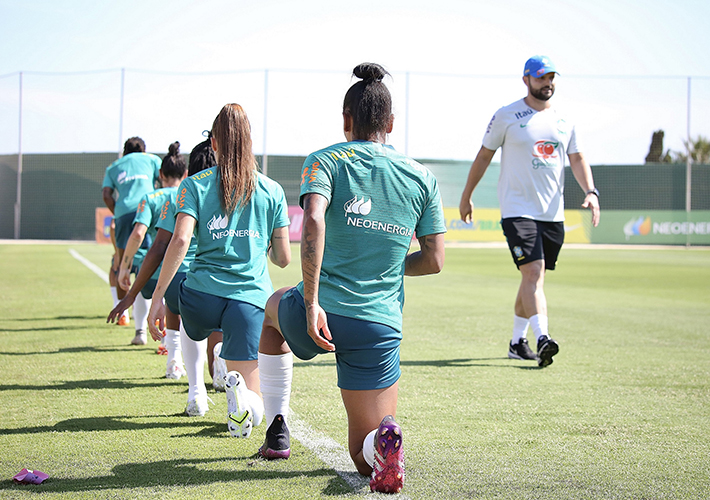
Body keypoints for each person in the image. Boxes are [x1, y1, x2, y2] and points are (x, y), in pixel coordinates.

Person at [257, 63, 446, 494]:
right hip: (378, 323)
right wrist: (383, 265)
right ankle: (382, 440)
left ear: (346, 119)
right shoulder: (421, 175)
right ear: (391, 124)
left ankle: (277, 426)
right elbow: (434, 259)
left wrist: (310, 302)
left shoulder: (325, 160)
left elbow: (315, 222)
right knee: (364, 460)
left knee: (269, 312)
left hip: (321, 312)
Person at [147, 104, 291, 430]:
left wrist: (158, 297)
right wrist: (260, 242)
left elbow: (180, 241)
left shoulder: (193, 185)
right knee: (253, 400)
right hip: (248, 300)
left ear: (213, 143)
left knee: (191, 325)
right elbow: (283, 258)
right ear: (250, 141)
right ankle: (238, 391)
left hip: (199, 297)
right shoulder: (272, 191)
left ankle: (196, 389)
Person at [459, 55, 601, 368]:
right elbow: (484, 156)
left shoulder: (565, 120)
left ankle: (516, 341)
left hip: (553, 214)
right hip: (517, 209)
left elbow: (577, 158)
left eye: (551, 77)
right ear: (526, 80)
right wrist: (466, 195)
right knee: (533, 273)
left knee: (533, 280)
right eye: (541, 77)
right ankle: (543, 338)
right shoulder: (507, 115)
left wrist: (591, 191)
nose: (547, 83)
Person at [108, 137, 226, 415]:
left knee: (178, 310)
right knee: (217, 326)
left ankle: (176, 363)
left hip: (179, 277)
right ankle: (220, 355)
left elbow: (160, 246)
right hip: (223, 281)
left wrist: (134, 292)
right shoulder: (232, 194)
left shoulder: (180, 195)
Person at [118, 141, 188, 375]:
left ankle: (140, 332)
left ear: (160, 174)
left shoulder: (151, 197)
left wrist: (124, 266)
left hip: (153, 268)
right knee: (182, 311)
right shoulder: (191, 194)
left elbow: (139, 233)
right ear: (185, 174)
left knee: (143, 293)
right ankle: (176, 355)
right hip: (185, 270)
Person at [102, 137, 161, 345]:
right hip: (149, 211)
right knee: (154, 262)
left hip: (123, 215)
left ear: (124, 152)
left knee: (120, 262)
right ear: (143, 150)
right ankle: (150, 328)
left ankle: (124, 313)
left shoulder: (114, 166)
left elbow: (106, 194)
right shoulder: (152, 160)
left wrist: (117, 211)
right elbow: (164, 181)